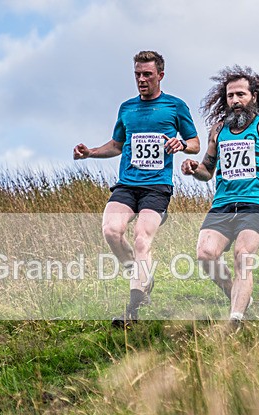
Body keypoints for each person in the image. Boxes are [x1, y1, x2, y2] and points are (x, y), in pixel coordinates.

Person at [73, 50, 200, 327]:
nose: (141, 80)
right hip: (127, 184)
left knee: (142, 239)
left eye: (147, 75)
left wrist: (181, 144)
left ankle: (132, 309)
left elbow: (195, 143)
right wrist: (90, 152)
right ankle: (142, 276)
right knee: (111, 231)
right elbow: (116, 145)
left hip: (157, 187)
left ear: (160, 75)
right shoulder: (127, 108)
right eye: (137, 75)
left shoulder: (175, 106)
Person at [181, 65, 259, 329]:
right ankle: (240, 298)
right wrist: (194, 169)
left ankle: (235, 319)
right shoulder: (218, 130)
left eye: (241, 94)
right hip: (222, 205)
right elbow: (207, 171)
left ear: (254, 97)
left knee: (243, 255)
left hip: (255, 203)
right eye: (230, 96)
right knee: (205, 255)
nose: (235, 100)